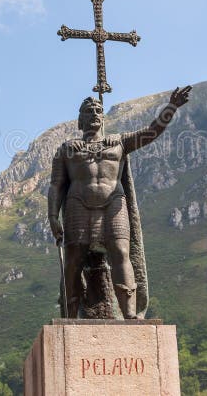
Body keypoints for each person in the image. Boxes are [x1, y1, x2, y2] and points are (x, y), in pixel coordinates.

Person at [48, 86, 192, 318]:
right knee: (73, 261)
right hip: (78, 205)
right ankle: (69, 318)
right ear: (80, 121)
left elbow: (151, 132)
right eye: (88, 111)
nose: (94, 113)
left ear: (103, 118)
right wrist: (52, 216)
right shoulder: (67, 150)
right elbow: (55, 185)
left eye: (98, 110)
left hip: (113, 204)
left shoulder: (119, 142)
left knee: (121, 254)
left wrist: (171, 107)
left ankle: (130, 315)